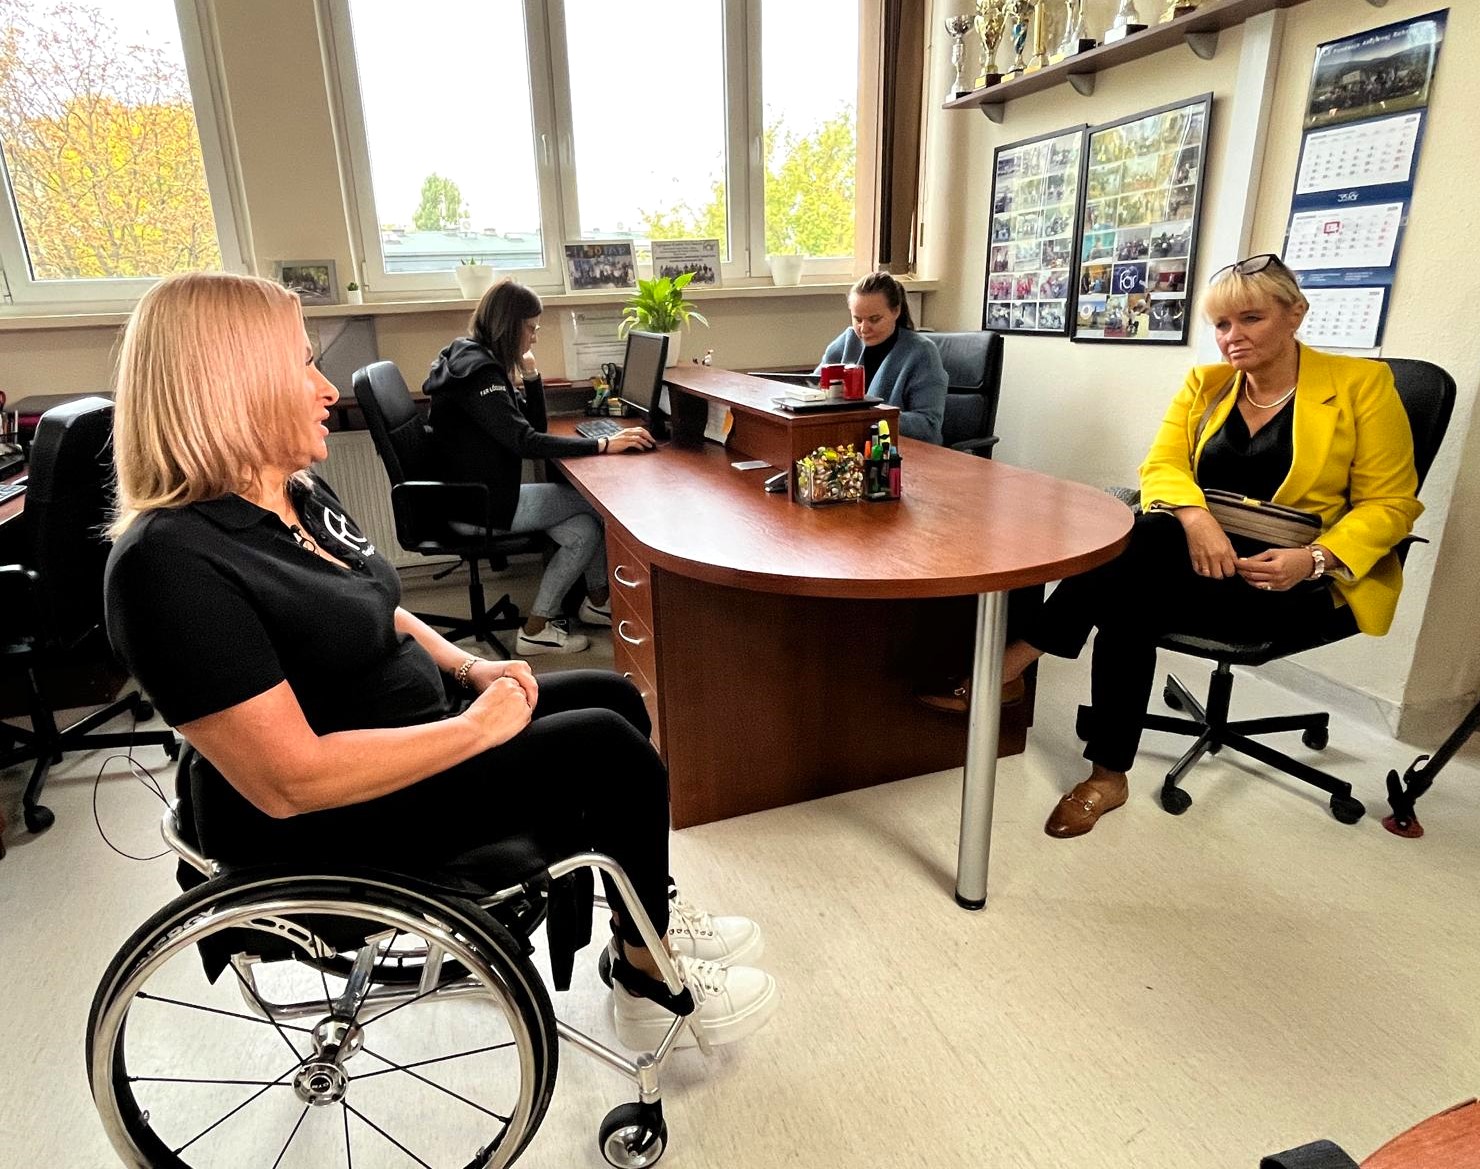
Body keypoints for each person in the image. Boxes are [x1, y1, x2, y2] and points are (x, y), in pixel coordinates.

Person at [103, 271, 779, 1049]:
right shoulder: (168, 567)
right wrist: (477, 730)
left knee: (614, 696)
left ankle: (644, 912)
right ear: (231, 386)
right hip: (346, 813)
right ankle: (648, 978)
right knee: (608, 749)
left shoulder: (293, 495)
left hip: (413, 732)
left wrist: (470, 670)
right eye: (301, 364)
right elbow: (289, 780)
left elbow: (375, 604)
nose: (327, 389)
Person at [1002, 253, 1421, 838]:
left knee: (1130, 566)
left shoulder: (1361, 387)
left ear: (1295, 313)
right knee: (1133, 578)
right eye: (1221, 324)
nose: (1232, 337)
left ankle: (1018, 666)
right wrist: (1196, 517)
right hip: (1196, 556)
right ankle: (1106, 773)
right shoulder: (1208, 383)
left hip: (1288, 577)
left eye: (1250, 319)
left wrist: (1313, 559)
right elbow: (1162, 463)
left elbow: (1392, 504)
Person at [424, 279, 653, 656]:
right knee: (596, 506)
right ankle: (560, 618)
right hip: (479, 505)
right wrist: (602, 444)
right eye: (530, 327)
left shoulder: (470, 357)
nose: (534, 336)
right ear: (509, 326)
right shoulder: (480, 375)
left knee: (583, 531)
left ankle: (565, 615)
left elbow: (532, 426)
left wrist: (530, 376)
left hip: (471, 496)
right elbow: (526, 442)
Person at [814, 271, 948, 443]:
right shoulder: (847, 342)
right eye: (857, 319)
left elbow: (929, 426)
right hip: (844, 444)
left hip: (895, 450)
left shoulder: (922, 353)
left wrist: (868, 418)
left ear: (896, 311)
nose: (863, 329)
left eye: (874, 319)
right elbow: (812, 392)